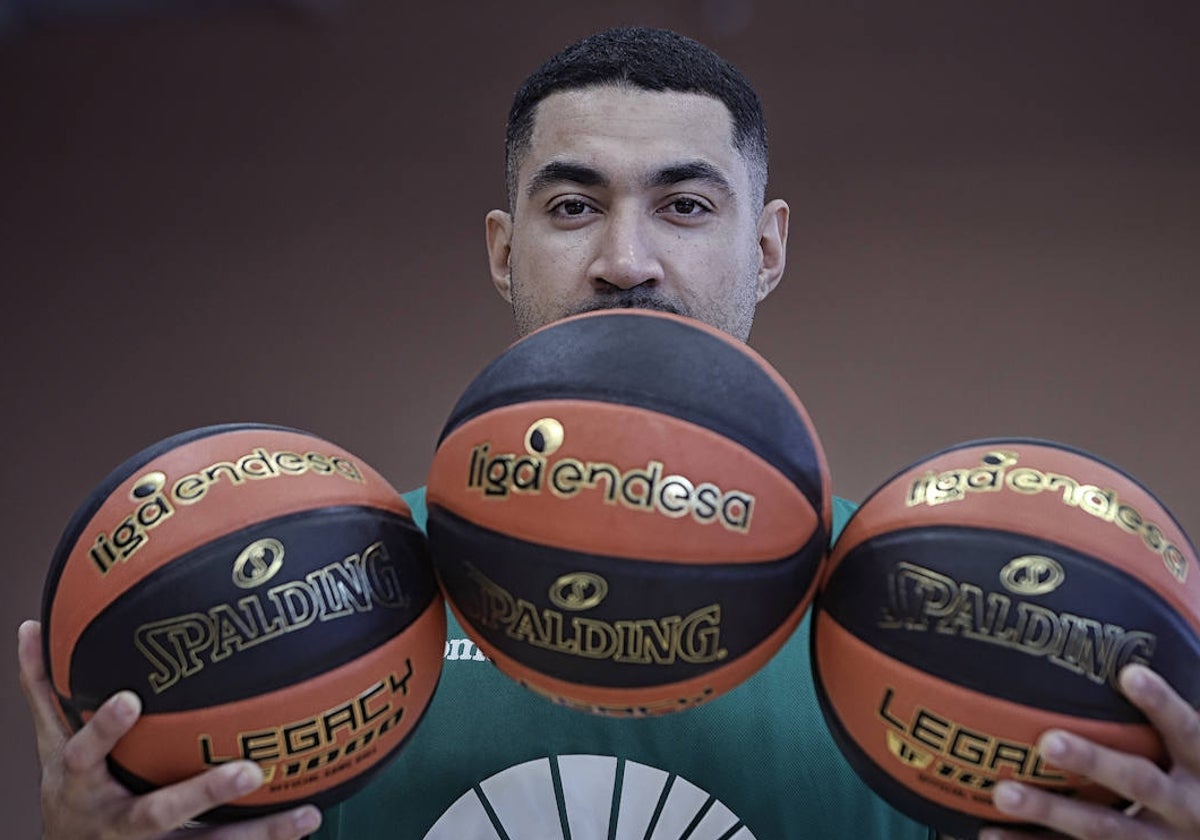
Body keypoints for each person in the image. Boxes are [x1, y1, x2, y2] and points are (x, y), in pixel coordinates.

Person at [17, 26, 1200, 840]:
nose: (627, 259)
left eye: (686, 205)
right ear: (502, 249)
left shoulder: (935, 618)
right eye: (572, 204)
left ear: (769, 247)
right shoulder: (336, 598)